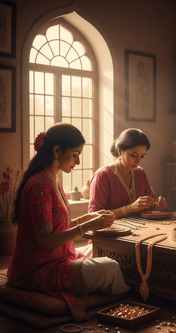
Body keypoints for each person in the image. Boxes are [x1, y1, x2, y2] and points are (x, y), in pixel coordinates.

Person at [7, 123, 129, 321]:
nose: (78, 161)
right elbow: (45, 240)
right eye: (75, 154)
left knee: (107, 252)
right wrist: (88, 226)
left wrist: (87, 219)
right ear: (57, 151)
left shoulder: (52, 180)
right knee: (110, 267)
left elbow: (57, 227)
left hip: (58, 257)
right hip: (38, 268)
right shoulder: (39, 185)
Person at [88, 128, 167, 221]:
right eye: (134, 155)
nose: (138, 161)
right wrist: (129, 208)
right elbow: (94, 216)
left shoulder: (139, 173)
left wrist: (158, 204)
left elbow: (150, 205)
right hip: (111, 232)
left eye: (142, 156)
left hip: (140, 229)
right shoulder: (102, 176)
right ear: (120, 151)